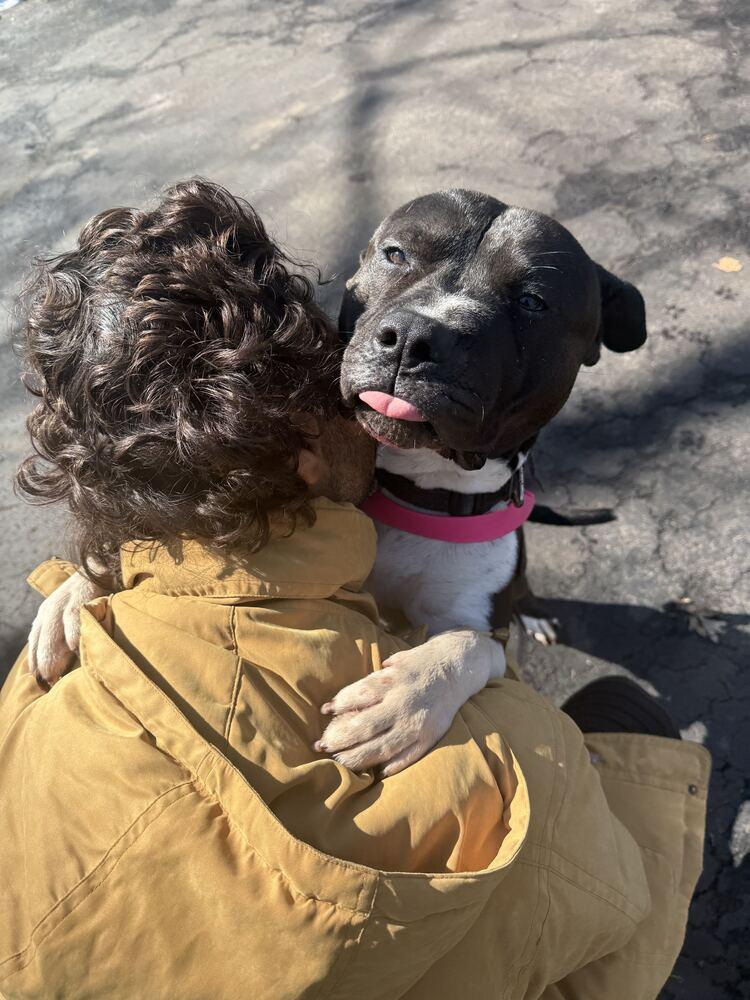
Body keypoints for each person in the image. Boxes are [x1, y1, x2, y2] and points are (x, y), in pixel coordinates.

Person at [0, 179, 709, 1000]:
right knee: (619, 722)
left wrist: (457, 658)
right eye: (401, 258)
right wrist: (104, 576)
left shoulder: (41, 693)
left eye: (533, 301)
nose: (423, 323)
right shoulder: (516, 753)